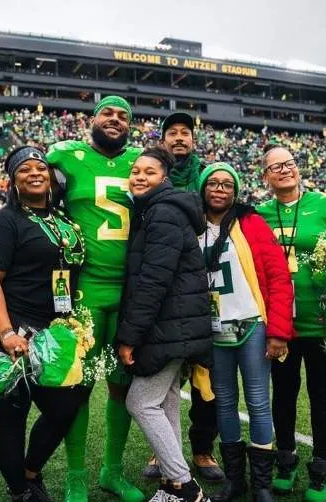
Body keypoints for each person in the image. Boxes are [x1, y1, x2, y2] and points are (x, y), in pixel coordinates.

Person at [0, 146, 90, 502]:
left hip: (52, 332)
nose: (35, 172)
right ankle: (20, 491)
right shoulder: (4, 222)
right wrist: (6, 332)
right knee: (12, 413)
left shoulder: (66, 221)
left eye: (42, 167)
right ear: (13, 180)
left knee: (66, 405)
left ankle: (30, 471)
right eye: (25, 169)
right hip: (6, 331)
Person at [46, 96, 144, 502]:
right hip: (84, 286)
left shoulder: (142, 160)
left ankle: (112, 470)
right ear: (93, 118)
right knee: (78, 385)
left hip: (131, 290)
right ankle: (75, 476)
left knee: (122, 383)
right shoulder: (66, 155)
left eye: (124, 116)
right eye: (108, 113)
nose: (116, 120)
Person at [256, 144, 326, 502]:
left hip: (321, 320)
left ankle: (321, 470)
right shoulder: (258, 214)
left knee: (322, 395)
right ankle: (286, 461)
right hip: (281, 324)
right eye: (275, 166)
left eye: (289, 163)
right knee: (283, 395)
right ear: (265, 176)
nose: (284, 170)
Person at [117, 147, 212, 502]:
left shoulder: (164, 213)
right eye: (136, 171)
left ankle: (185, 486)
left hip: (169, 326)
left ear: (165, 178)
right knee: (167, 400)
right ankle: (174, 483)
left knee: (140, 402)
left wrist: (129, 336)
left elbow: (153, 281)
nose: (140, 177)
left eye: (149, 172)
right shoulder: (160, 210)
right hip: (177, 325)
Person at [197, 163, 294, 502]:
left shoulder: (251, 222)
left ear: (235, 191)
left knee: (257, 402)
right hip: (214, 328)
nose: (220, 189)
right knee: (223, 402)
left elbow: (279, 276)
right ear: (202, 188)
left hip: (252, 323)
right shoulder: (192, 225)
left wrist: (278, 331)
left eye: (227, 184)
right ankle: (235, 480)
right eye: (213, 183)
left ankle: (262, 485)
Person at [140, 111, 223, 482]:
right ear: (162, 139)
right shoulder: (154, 176)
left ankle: (203, 450)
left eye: (184, 133)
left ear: (193, 139)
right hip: (171, 290)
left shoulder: (208, 174)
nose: (178, 138)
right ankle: (163, 453)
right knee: (167, 376)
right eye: (171, 132)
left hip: (208, 282)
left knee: (206, 378)